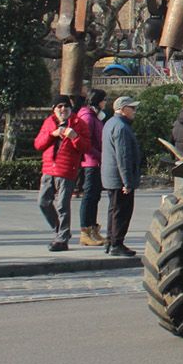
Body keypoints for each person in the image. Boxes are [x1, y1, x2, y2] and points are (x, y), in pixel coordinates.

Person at [35, 95, 87, 251]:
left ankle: (62, 239)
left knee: (62, 205)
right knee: (43, 202)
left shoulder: (79, 123)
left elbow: (86, 147)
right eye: (59, 107)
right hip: (48, 169)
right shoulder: (48, 123)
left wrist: (75, 137)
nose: (63, 109)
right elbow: (38, 144)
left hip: (66, 170)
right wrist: (53, 134)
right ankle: (60, 230)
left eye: (66, 107)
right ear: (54, 109)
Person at [100, 96, 142, 256]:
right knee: (121, 212)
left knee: (113, 210)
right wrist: (127, 182)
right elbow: (123, 157)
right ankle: (117, 243)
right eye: (132, 108)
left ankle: (110, 242)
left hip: (111, 176)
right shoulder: (121, 127)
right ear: (123, 109)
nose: (134, 112)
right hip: (119, 178)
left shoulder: (110, 123)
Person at [75, 89, 107, 247]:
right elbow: (85, 143)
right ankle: (85, 230)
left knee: (95, 197)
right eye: (104, 100)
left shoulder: (94, 116)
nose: (105, 103)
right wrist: (100, 155)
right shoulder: (87, 117)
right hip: (90, 163)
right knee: (89, 197)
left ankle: (93, 228)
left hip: (97, 162)